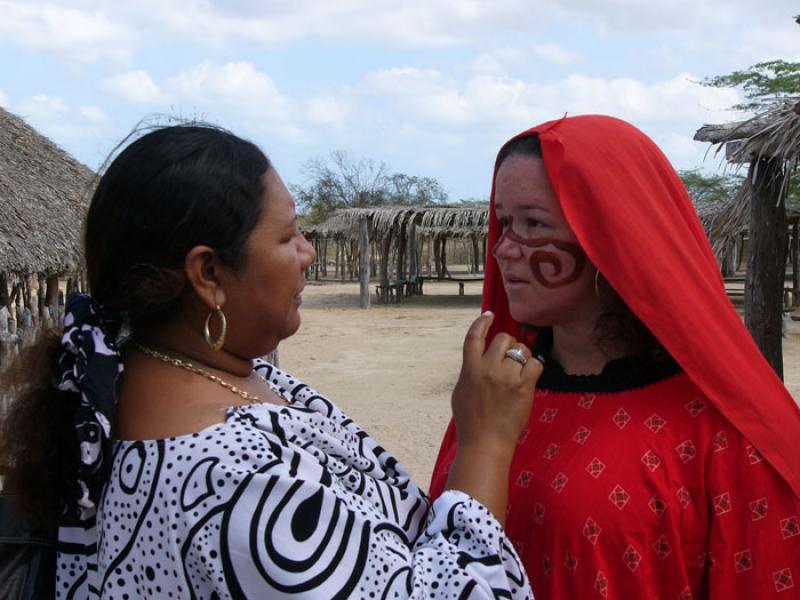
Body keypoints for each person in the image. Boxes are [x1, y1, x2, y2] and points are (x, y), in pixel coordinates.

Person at [0, 124, 543, 599]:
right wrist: (487, 439)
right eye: (287, 236)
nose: (307, 252)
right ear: (208, 273)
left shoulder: (165, 377)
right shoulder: (238, 491)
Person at [430, 115, 800, 599]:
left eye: (534, 223)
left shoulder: (721, 425)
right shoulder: (493, 395)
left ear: (609, 237)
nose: (503, 249)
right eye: (504, 222)